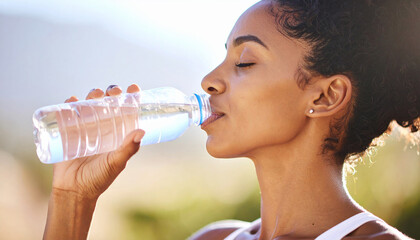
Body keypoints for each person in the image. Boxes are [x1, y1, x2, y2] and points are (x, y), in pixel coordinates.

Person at [43, 0, 419, 239]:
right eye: (223, 58)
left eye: (244, 62)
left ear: (325, 95)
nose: (208, 81)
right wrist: (72, 201)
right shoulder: (214, 238)